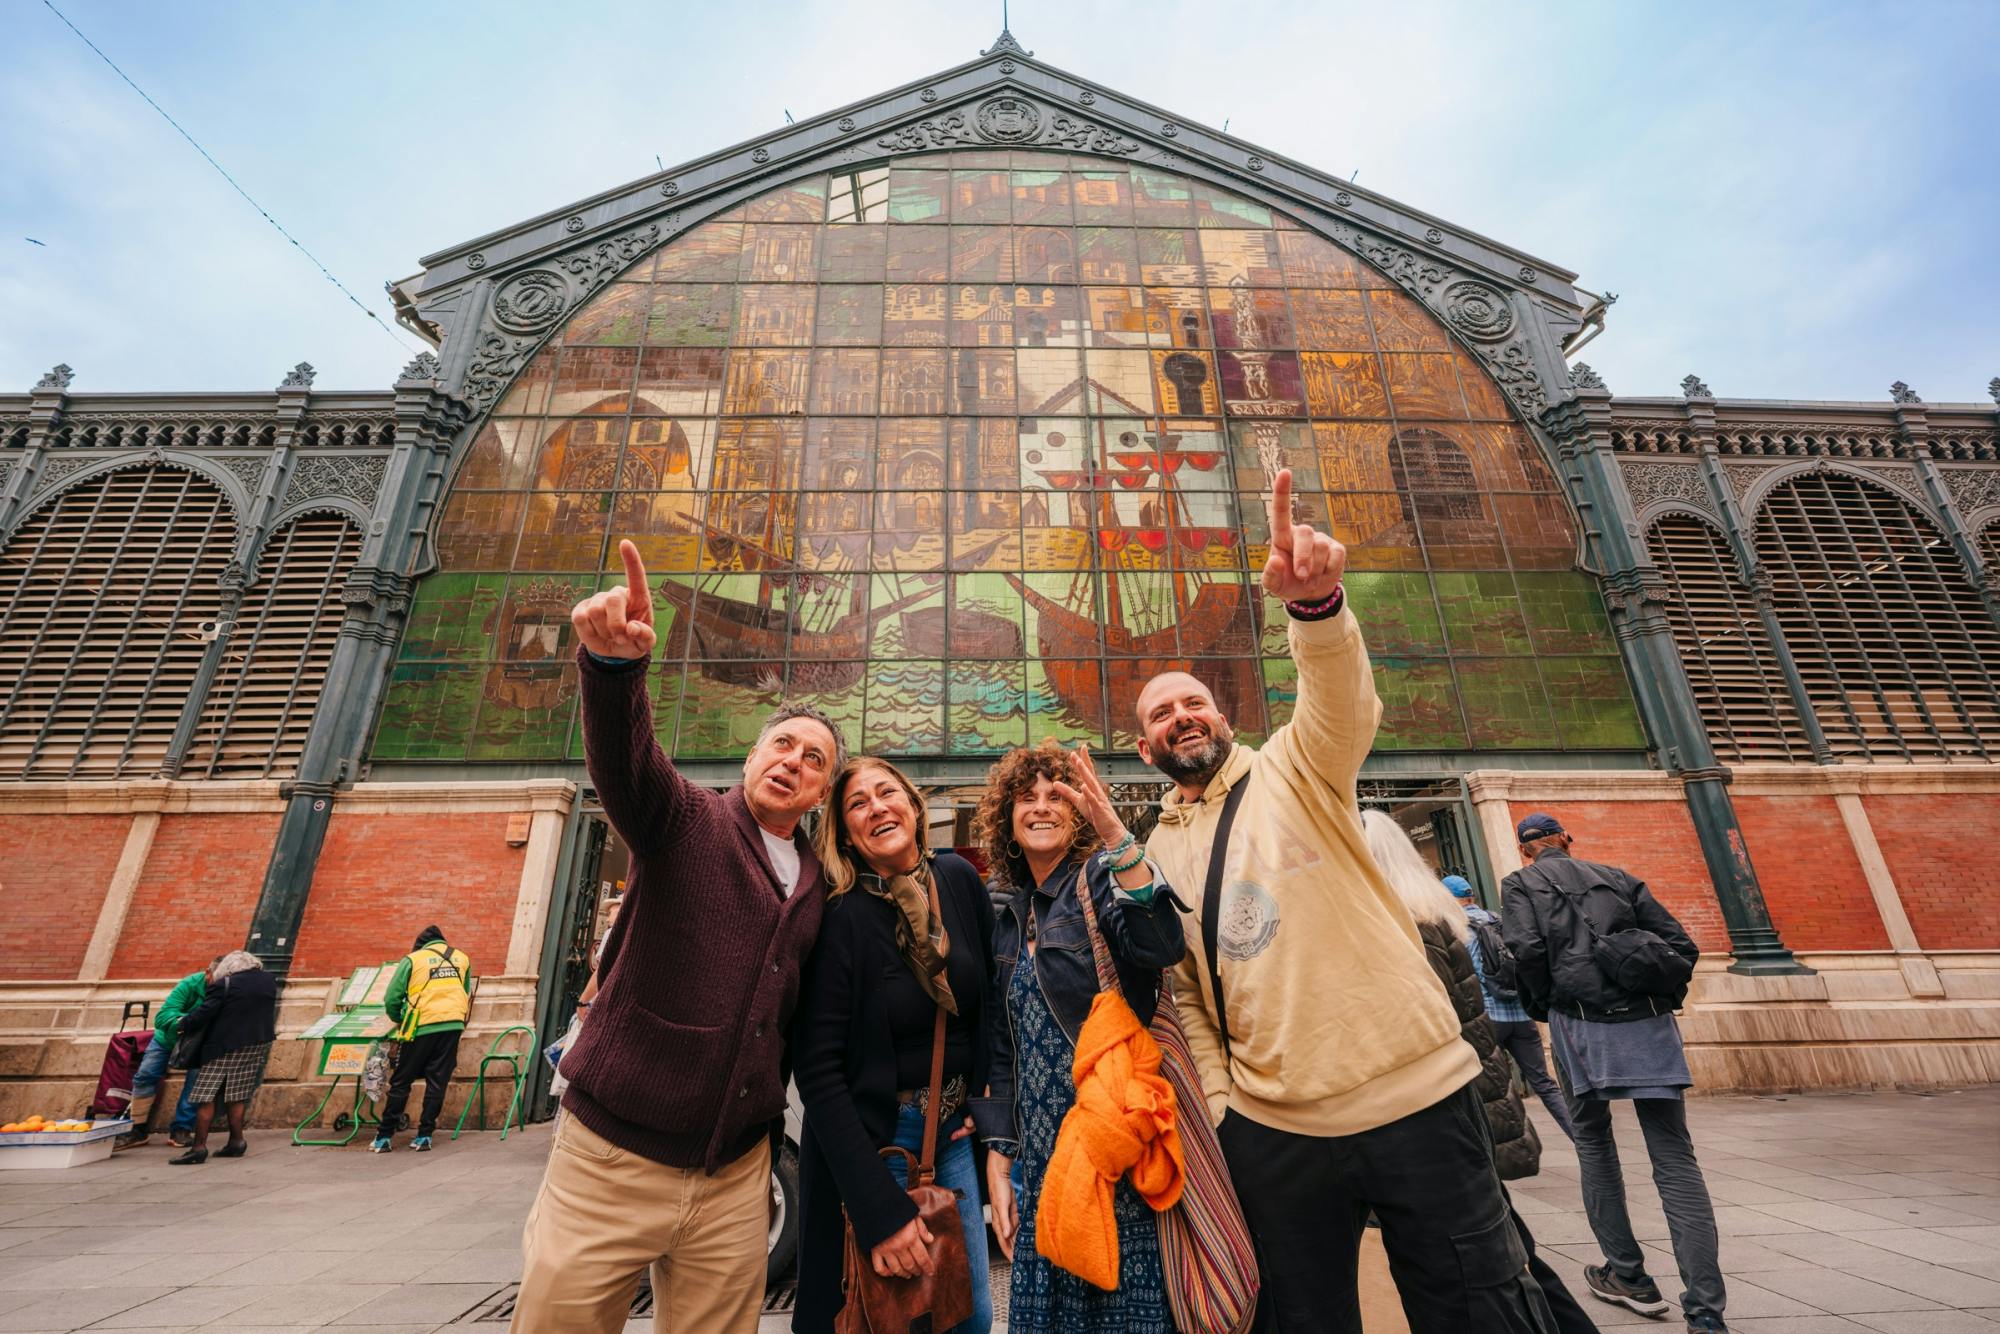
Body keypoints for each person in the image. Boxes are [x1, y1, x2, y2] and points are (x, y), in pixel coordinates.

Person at [1140, 470, 1559, 1333]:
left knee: (1478, 1308)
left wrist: (1318, 608)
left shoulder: (1301, 768)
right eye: (1160, 713)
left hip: (1418, 1099)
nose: (1182, 716)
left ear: (1225, 717)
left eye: (1195, 701)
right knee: (1301, 1319)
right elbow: (1181, 991)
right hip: (1275, 1129)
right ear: (1143, 747)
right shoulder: (1154, 851)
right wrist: (1224, 1108)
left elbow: (1339, 700)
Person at [512, 539, 843, 1334]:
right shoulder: (685, 818)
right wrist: (615, 671)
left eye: (814, 759)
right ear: (752, 754)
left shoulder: (818, 883)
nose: (793, 762)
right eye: (782, 745)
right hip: (614, 1157)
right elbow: (627, 765)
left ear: (824, 788)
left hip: (737, 1172)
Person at [974, 740, 1188, 1334]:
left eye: (1058, 797)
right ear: (1007, 818)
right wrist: (1000, 1155)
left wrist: (1118, 838)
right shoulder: (1010, 914)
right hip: (1044, 1159)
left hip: (1114, 1142)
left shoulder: (1099, 880)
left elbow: (1162, 945)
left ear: (1078, 814)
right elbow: (1004, 1045)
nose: (1041, 807)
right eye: (1026, 797)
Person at [1360, 813, 1600, 1334]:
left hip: (1446, 1118)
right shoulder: (1430, 914)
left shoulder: (1401, 930)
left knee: (1500, 1264)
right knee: (1511, 1254)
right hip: (1473, 1101)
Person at [792, 758, 997, 1334]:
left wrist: (984, 1099)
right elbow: (818, 1070)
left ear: (913, 805)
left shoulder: (958, 881)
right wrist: (876, 1210)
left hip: (951, 1136)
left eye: (887, 793)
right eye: (858, 803)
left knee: (967, 1319)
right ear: (845, 832)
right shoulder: (840, 916)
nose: (877, 807)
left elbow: (988, 1002)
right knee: (875, 1320)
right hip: (873, 1144)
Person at [1501, 812, 1724, 1334]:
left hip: (1580, 1023)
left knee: (1594, 1142)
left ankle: (1628, 1276)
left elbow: (1529, 950)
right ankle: (1707, 1312)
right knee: (1675, 1157)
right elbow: (1681, 945)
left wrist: (1545, 1005)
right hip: (1649, 1023)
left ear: (1525, 849)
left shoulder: (1521, 883)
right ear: (1566, 841)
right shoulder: (1619, 877)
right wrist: (1656, 997)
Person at [1445, 874, 1577, 1142]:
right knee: (1544, 1083)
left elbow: (1465, 978)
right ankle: (1584, 1140)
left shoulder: (1458, 929)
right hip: (1521, 1014)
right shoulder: (1499, 921)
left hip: (1488, 1019)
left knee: (1491, 1089)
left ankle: (1506, 1149)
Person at [169, 950, 278, 1165]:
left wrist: (183, 1024)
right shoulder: (268, 981)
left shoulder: (224, 985)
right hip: (256, 1044)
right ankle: (237, 1141)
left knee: (206, 1096)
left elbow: (204, 1014)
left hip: (222, 1046)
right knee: (236, 1094)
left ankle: (199, 1147)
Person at [371, 925, 473, 1153]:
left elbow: (392, 998)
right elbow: (465, 991)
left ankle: (384, 1136)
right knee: (437, 1082)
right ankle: (425, 1135)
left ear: (421, 944)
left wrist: (399, 1018)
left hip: (421, 1026)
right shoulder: (462, 958)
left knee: (401, 1081)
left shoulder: (413, 959)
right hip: (452, 1025)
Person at [118, 955, 218, 1150]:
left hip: (201, 1045)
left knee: (195, 1084)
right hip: (167, 1039)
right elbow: (163, 1017)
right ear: (208, 973)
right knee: (146, 1075)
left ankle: (182, 1128)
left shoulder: (225, 990)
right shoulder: (189, 984)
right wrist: (189, 1022)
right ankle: (136, 1127)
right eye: (217, 977)